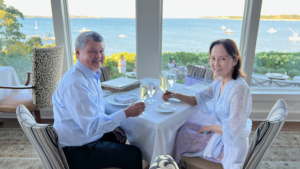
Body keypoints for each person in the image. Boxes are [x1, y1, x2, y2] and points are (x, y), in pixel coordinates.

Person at [52, 31, 145, 169]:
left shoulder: (90, 73)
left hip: (82, 136)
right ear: (78, 53)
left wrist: (115, 123)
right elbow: (93, 127)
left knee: (119, 135)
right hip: (75, 149)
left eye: (101, 51)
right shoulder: (76, 84)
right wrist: (126, 113)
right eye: (92, 51)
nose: (99, 56)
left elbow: (94, 112)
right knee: (134, 154)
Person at [162, 39, 252, 169]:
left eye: (222, 59)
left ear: (235, 61)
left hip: (230, 145)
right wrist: (175, 95)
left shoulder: (239, 89)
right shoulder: (220, 81)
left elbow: (232, 130)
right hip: (222, 132)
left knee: (180, 138)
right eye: (213, 58)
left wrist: (210, 127)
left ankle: (175, 165)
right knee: (183, 128)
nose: (216, 64)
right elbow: (199, 98)